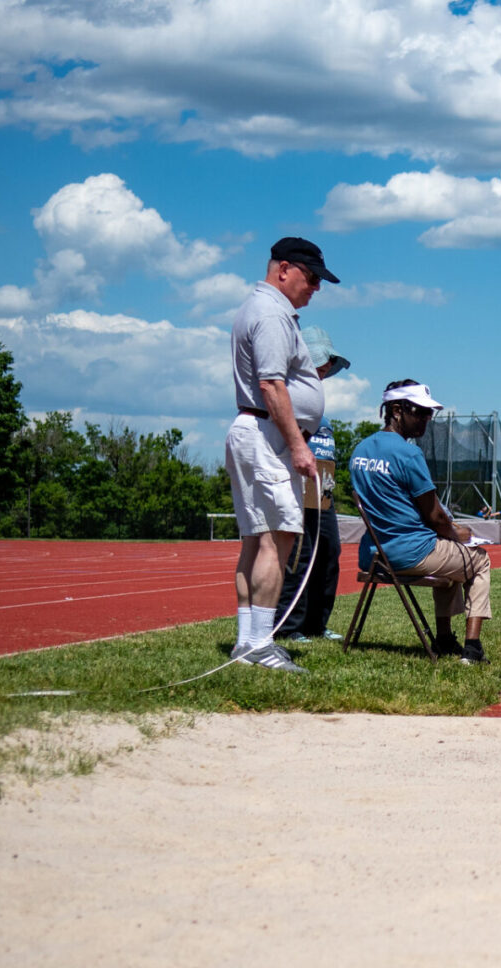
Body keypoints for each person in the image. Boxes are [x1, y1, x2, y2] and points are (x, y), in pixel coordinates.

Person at [226, 237, 340, 673]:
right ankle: (258, 643)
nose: (316, 288)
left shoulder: (262, 308)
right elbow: (272, 384)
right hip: (268, 434)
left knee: (256, 542)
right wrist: (298, 445)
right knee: (277, 539)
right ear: (284, 270)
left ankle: (247, 642)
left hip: (257, 430)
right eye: (311, 278)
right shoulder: (272, 313)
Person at [350, 380, 492, 664]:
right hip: (411, 553)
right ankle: (473, 649)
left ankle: (443, 639)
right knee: (479, 559)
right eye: (420, 411)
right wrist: (457, 532)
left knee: (452, 559)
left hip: (374, 556)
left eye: (429, 412)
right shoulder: (408, 453)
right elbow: (435, 517)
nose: (427, 418)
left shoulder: (360, 450)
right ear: (397, 410)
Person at [273, 329, 351, 643]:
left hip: (324, 488)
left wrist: (327, 487)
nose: (325, 367)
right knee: (298, 556)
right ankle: (289, 625)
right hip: (296, 485)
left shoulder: (320, 411)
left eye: (327, 363)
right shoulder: (286, 400)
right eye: (320, 360)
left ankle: (317, 624)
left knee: (329, 551)